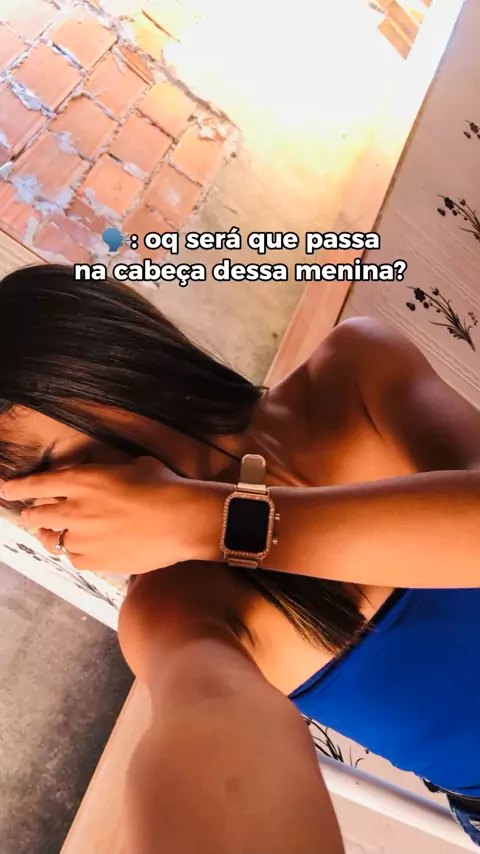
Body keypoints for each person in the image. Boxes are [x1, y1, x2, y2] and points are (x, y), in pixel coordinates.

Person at [0, 264, 480, 846]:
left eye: (47, 468)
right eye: (23, 505)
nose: (55, 512)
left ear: (105, 362)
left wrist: (211, 520)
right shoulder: (170, 606)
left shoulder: (353, 370)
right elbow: (212, 725)